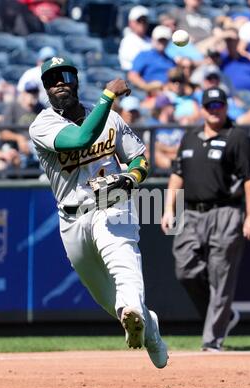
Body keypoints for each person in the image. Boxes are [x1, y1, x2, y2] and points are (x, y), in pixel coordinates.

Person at [29, 56, 168, 368]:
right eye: (51, 80)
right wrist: (109, 96)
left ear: (76, 80)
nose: (59, 83)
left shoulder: (112, 119)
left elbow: (141, 159)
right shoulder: (42, 124)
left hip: (112, 204)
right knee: (107, 299)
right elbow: (81, 138)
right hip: (71, 217)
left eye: (64, 75)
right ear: (46, 90)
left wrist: (129, 177)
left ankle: (134, 310)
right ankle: (149, 326)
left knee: (124, 265)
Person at [161, 87, 250, 351]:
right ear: (202, 109)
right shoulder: (190, 137)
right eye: (210, 106)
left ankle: (212, 341)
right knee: (185, 269)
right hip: (192, 211)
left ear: (226, 107)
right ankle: (223, 316)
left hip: (226, 211)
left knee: (221, 276)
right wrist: (169, 208)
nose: (214, 110)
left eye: (219, 105)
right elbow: (177, 174)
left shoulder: (237, 137)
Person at [118, 5, 151, 72]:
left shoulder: (150, 40)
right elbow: (140, 62)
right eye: (139, 21)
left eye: (144, 21)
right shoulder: (127, 41)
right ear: (130, 23)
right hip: (131, 79)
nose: (142, 24)